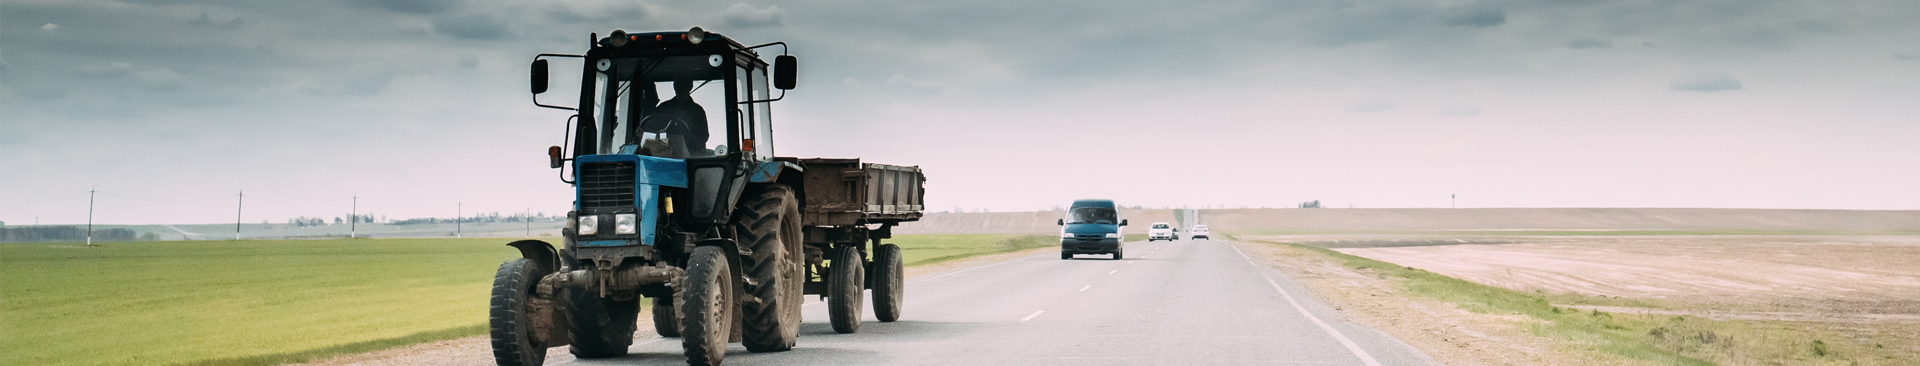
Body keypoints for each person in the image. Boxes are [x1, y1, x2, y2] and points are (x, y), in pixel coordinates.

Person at [644, 79, 710, 156]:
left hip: (689, 158)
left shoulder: (698, 111)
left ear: (690, 86)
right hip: (662, 155)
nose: (681, 87)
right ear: (674, 86)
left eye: (685, 84)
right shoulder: (662, 108)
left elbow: (702, 137)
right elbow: (649, 129)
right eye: (678, 84)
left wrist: (683, 138)